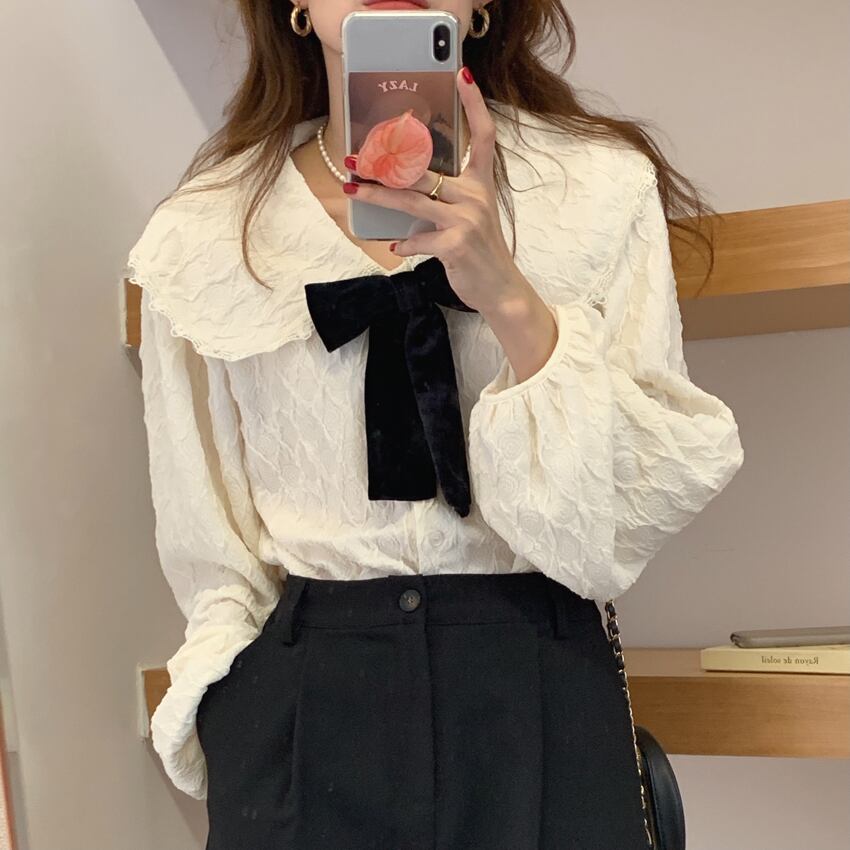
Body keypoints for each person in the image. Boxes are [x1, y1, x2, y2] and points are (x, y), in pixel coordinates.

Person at [126, 2, 745, 847]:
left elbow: (608, 533)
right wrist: (239, 714)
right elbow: (209, 541)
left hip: (540, 692)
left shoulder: (596, 191)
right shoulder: (206, 232)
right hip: (305, 708)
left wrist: (509, 294)